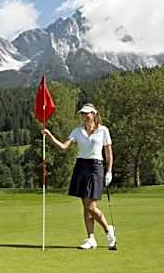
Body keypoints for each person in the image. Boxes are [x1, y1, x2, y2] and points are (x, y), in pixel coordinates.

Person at [43, 103, 117, 250]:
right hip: (81, 166)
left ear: (94, 114)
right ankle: (91, 238)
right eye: (82, 114)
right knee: (85, 206)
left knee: (91, 206)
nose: (84, 116)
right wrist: (50, 136)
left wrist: (109, 171)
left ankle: (109, 230)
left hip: (96, 167)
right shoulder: (77, 131)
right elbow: (64, 147)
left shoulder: (103, 131)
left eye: (86, 113)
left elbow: (108, 153)